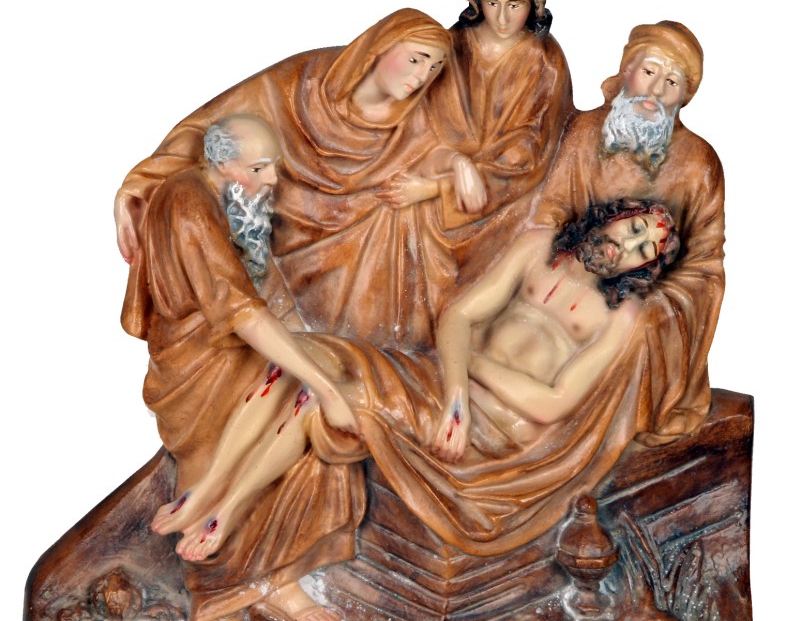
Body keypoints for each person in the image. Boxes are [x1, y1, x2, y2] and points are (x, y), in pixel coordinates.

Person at [151, 198, 679, 564]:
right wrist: (455, 395)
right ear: (616, 216)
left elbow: (553, 402)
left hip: (497, 427)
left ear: (643, 270)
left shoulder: (621, 316)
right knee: (299, 358)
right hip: (445, 386)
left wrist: (470, 371)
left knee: (318, 399)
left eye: (643, 252)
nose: (627, 247)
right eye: (634, 230)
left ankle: (227, 512)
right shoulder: (539, 247)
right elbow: (459, 316)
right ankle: (206, 490)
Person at [124, 114, 366, 621]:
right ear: (221, 163)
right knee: (228, 442)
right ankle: (211, 598)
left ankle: (277, 580)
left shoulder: (225, 197)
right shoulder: (188, 202)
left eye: (272, 166)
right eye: (258, 169)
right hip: (203, 359)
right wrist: (322, 382)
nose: (272, 179)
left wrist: (310, 357)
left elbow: (262, 286)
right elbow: (240, 309)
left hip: (239, 348)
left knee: (313, 409)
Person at [117, 9, 478, 348]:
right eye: (416, 59)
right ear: (379, 46)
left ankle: (376, 351)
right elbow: (208, 128)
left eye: (435, 67)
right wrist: (138, 186)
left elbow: (437, 151)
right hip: (280, 226)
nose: (422, 76)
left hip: (365, 246)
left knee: (403, 218)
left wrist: (458, 165)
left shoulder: (420, 110)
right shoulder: (303, 82)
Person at [528, 20, 724, 443]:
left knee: (632, 327)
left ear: (684, 97)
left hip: (643, 296)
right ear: (627, 69)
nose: (655, 91)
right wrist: (546, 256)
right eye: (649, 71)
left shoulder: (698, 163)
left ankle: (589, 430)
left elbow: (705, 265)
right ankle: (519, 400)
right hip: (576, 269)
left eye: (672, 82)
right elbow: (551, 209)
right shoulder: (584, 133)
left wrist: (652, 301)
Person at [420, 0, 574, 278]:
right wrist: (453, 165)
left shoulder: (545, 60)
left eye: (514, 5)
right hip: (439, 163)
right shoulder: (454, 43)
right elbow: (423, 115)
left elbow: (534, 146)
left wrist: (464, 179)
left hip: (509, 187)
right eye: (492, 3)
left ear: (533, 4)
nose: (502, 18)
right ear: (477, 0)